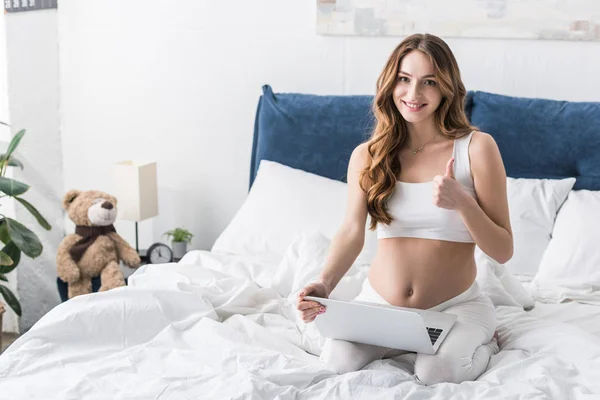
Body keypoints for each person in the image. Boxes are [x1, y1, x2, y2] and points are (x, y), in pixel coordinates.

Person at [296, 33, 512, 385]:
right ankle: (399, 344)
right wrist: (325, 283)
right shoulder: (368, 155)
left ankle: (485, 344)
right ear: (390, 84)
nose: (414, 94)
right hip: (383, 307)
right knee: (337, 361)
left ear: (447, 88)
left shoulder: (477, 147)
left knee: (436, 372)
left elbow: (503, 250)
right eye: (404, 79)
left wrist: (463, 203)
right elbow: (352, 230)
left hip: (455, 308)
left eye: (429, 82)